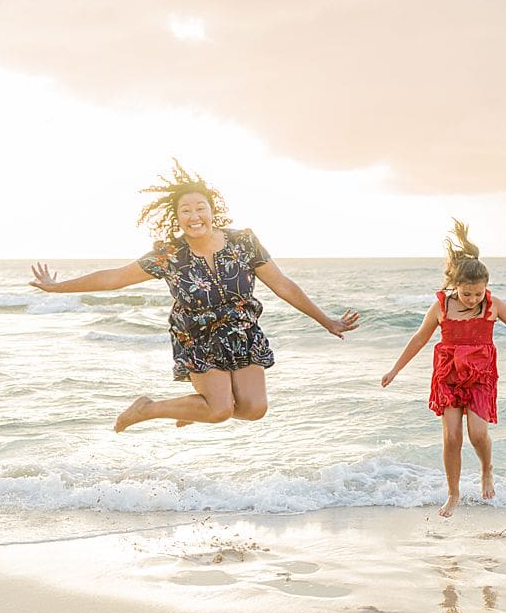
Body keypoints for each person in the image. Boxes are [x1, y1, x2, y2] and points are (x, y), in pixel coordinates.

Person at [29, 161, 359, 432]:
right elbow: (115, 278)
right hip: (197, 336)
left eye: (201, 207)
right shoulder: (169, 255)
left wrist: (326, 321)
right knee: (219, 411)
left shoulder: (244, 242)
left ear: (213, 211)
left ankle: (196, 408)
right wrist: (59, 287)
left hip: (243, 332)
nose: (194, 215)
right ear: (177, 218)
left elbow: (283, 284)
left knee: (254, 409)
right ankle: (147, 409)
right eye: (186, 210)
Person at [381, 220, 506, 517]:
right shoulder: (441, 307)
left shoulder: (494, 305)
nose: (473, 299)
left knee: (478, 433)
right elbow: (419, 338)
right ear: (455, 285)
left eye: (478, 294)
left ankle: (487, 469)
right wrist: (395, 370)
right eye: (466, 294)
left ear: (486, 287)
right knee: (451, 437)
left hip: (481, 375)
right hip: (447, 375)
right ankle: (453, 493)